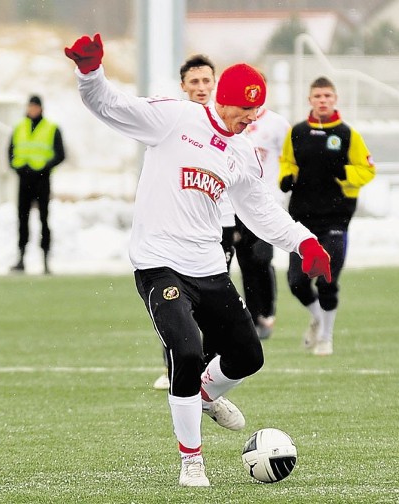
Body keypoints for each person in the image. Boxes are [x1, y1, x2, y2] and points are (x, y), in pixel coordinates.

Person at [65, 33, 331, 487]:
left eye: (256, 109)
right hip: (159, 264)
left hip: (208, 266)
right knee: (186, 351)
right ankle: (192, 460)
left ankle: (204, 394)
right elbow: (110, 105)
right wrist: (90, 73)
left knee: (248, 355)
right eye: (245, 109)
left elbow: (261, 211)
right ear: (224, 101)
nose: (251, 118)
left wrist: (305, 244)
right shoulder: (174, 118)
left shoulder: (242, 152)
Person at [279, 76, 375, 356]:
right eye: (317, 96)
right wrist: (286, 177)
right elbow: (287, 161)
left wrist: (345, 174)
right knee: (297, 282)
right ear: (310, 100)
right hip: (301, 219)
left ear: (335, 100)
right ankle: (319, 319)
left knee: (327, 279)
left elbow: (367, 169)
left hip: (335, 219)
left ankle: (326, 337)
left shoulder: (347, 134)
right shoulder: (296, 131)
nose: (322, 101)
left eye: (327, 96)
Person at [153, 53, 221, 391]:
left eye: (206, 80)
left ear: (214, 83)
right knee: (176, 305)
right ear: (183, 86)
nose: (201, 87)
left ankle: (205, 373)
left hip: (214, 234)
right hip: (172, 236)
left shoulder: (225, 125)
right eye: (194, 81)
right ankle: (175, 368)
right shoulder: (173, 121)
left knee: (210, 308)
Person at [236, 99, 291, 340]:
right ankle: (253, 315)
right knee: (245, 262)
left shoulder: (277, 124)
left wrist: (281, 194)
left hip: (266, 205)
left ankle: (267, 314)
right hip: (238, 206)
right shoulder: (235, 122)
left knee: (262, 258)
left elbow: (291, 158)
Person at [8, 95, 65, 274]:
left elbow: (60, 154)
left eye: (34, 107)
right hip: (24, 178)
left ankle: (46, 258)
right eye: (29, 107)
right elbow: (10, 151)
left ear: (40, 108)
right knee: (22, 219)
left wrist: (45, 167)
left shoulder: (51, 128)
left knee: (43, 219)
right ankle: (21, 257)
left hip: (42, 179)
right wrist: (18, 167)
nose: (31, 110)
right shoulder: (19, 127)